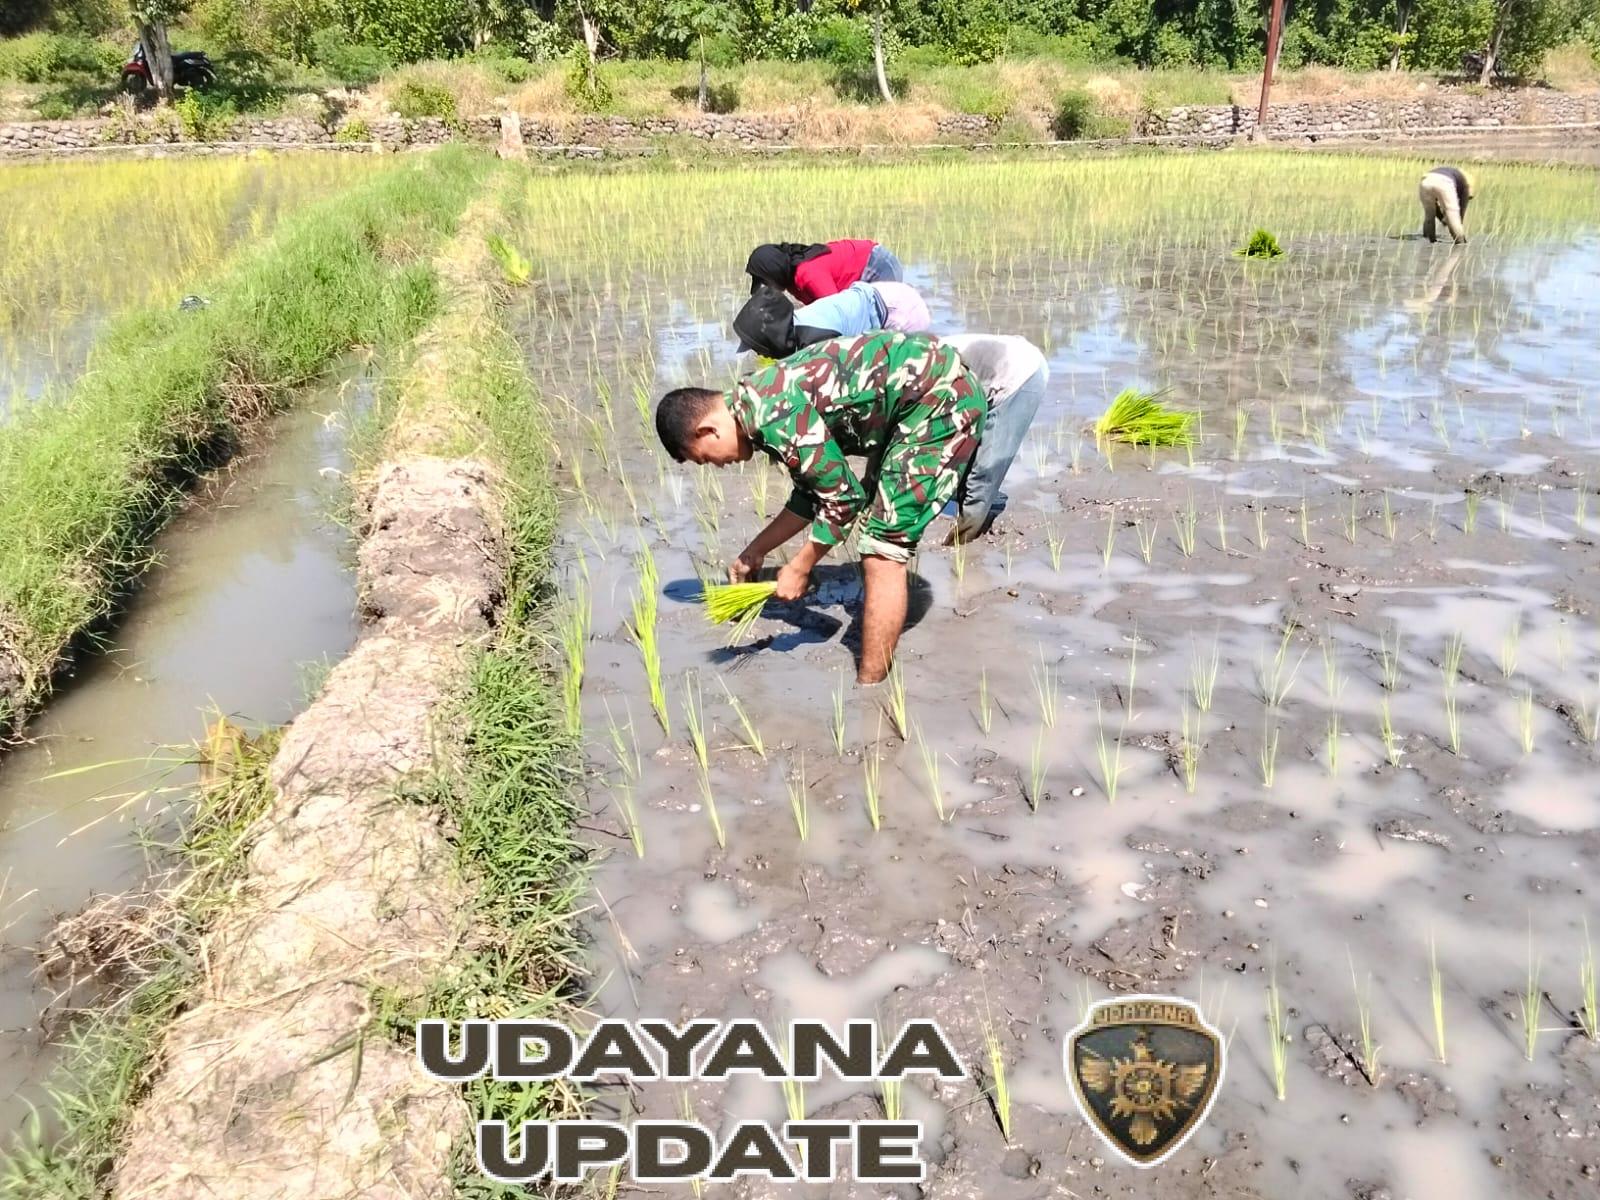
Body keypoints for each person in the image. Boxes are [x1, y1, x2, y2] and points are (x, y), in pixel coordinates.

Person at [656, 331, 985, 684]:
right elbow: (813, 493)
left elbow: (843, 500)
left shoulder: (771, 414)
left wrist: (801, 566)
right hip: (909, 403)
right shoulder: (754, 402)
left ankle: (870, 692)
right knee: (878, 526)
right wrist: (755, 552)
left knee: (884, 546)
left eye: (706, 460)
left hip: (939, 400)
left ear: (707, 431)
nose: (719, 467)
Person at [941, 334, 1049, 542]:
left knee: (987, 467)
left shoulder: (921, 371)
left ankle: (962, 539)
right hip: (993, 368)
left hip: (1021, 374)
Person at [734, 281, 931, 360]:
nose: (760, 354)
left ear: (770, 336)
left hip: (900, 311)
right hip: (885, 295)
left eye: (758, 347)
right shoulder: (793, 329)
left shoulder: (817, 340)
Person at [745, 240, 905, 303]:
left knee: (880, 329)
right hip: (866, 267)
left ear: (774, 272)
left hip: (877, 265)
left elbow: (838, 312)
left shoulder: (808, 274)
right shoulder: (792, 281)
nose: (765, 288)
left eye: (765, 282)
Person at [1418, 165, 1474, 245]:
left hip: (1425, 181)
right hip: (1445, 182)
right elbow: (1459, 215)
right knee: (1454, 219)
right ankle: (1461, 244)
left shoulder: (1453, 172)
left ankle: (1428, 243)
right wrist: (1450, 222)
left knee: (1429, 216)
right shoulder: (1466, 184)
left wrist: (1443, 219)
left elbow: (1435, 208)